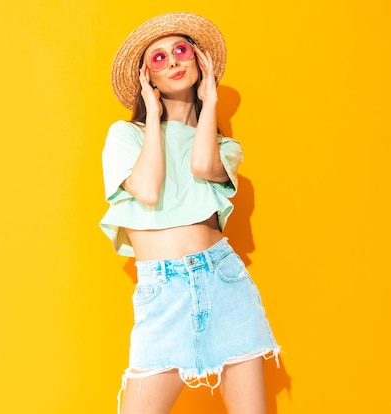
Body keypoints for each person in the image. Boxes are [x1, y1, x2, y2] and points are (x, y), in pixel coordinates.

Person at [99, 12, 280, 414]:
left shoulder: (225, 148)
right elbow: (146, 190)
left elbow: (201, 165)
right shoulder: (125, 136)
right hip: (163, 291)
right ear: (148, 78)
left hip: (223, 281)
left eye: (181, 51)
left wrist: (210, 99)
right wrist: (151, 112)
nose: (174, 61)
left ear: (200, 61)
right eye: (158, 59)